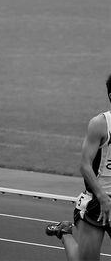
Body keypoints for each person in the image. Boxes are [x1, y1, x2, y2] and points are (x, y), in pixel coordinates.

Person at [45, 74, 111, 260]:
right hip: (98, 203)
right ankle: (65, 232)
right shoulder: (100, 124)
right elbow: (85, 165)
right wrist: (102, 197)